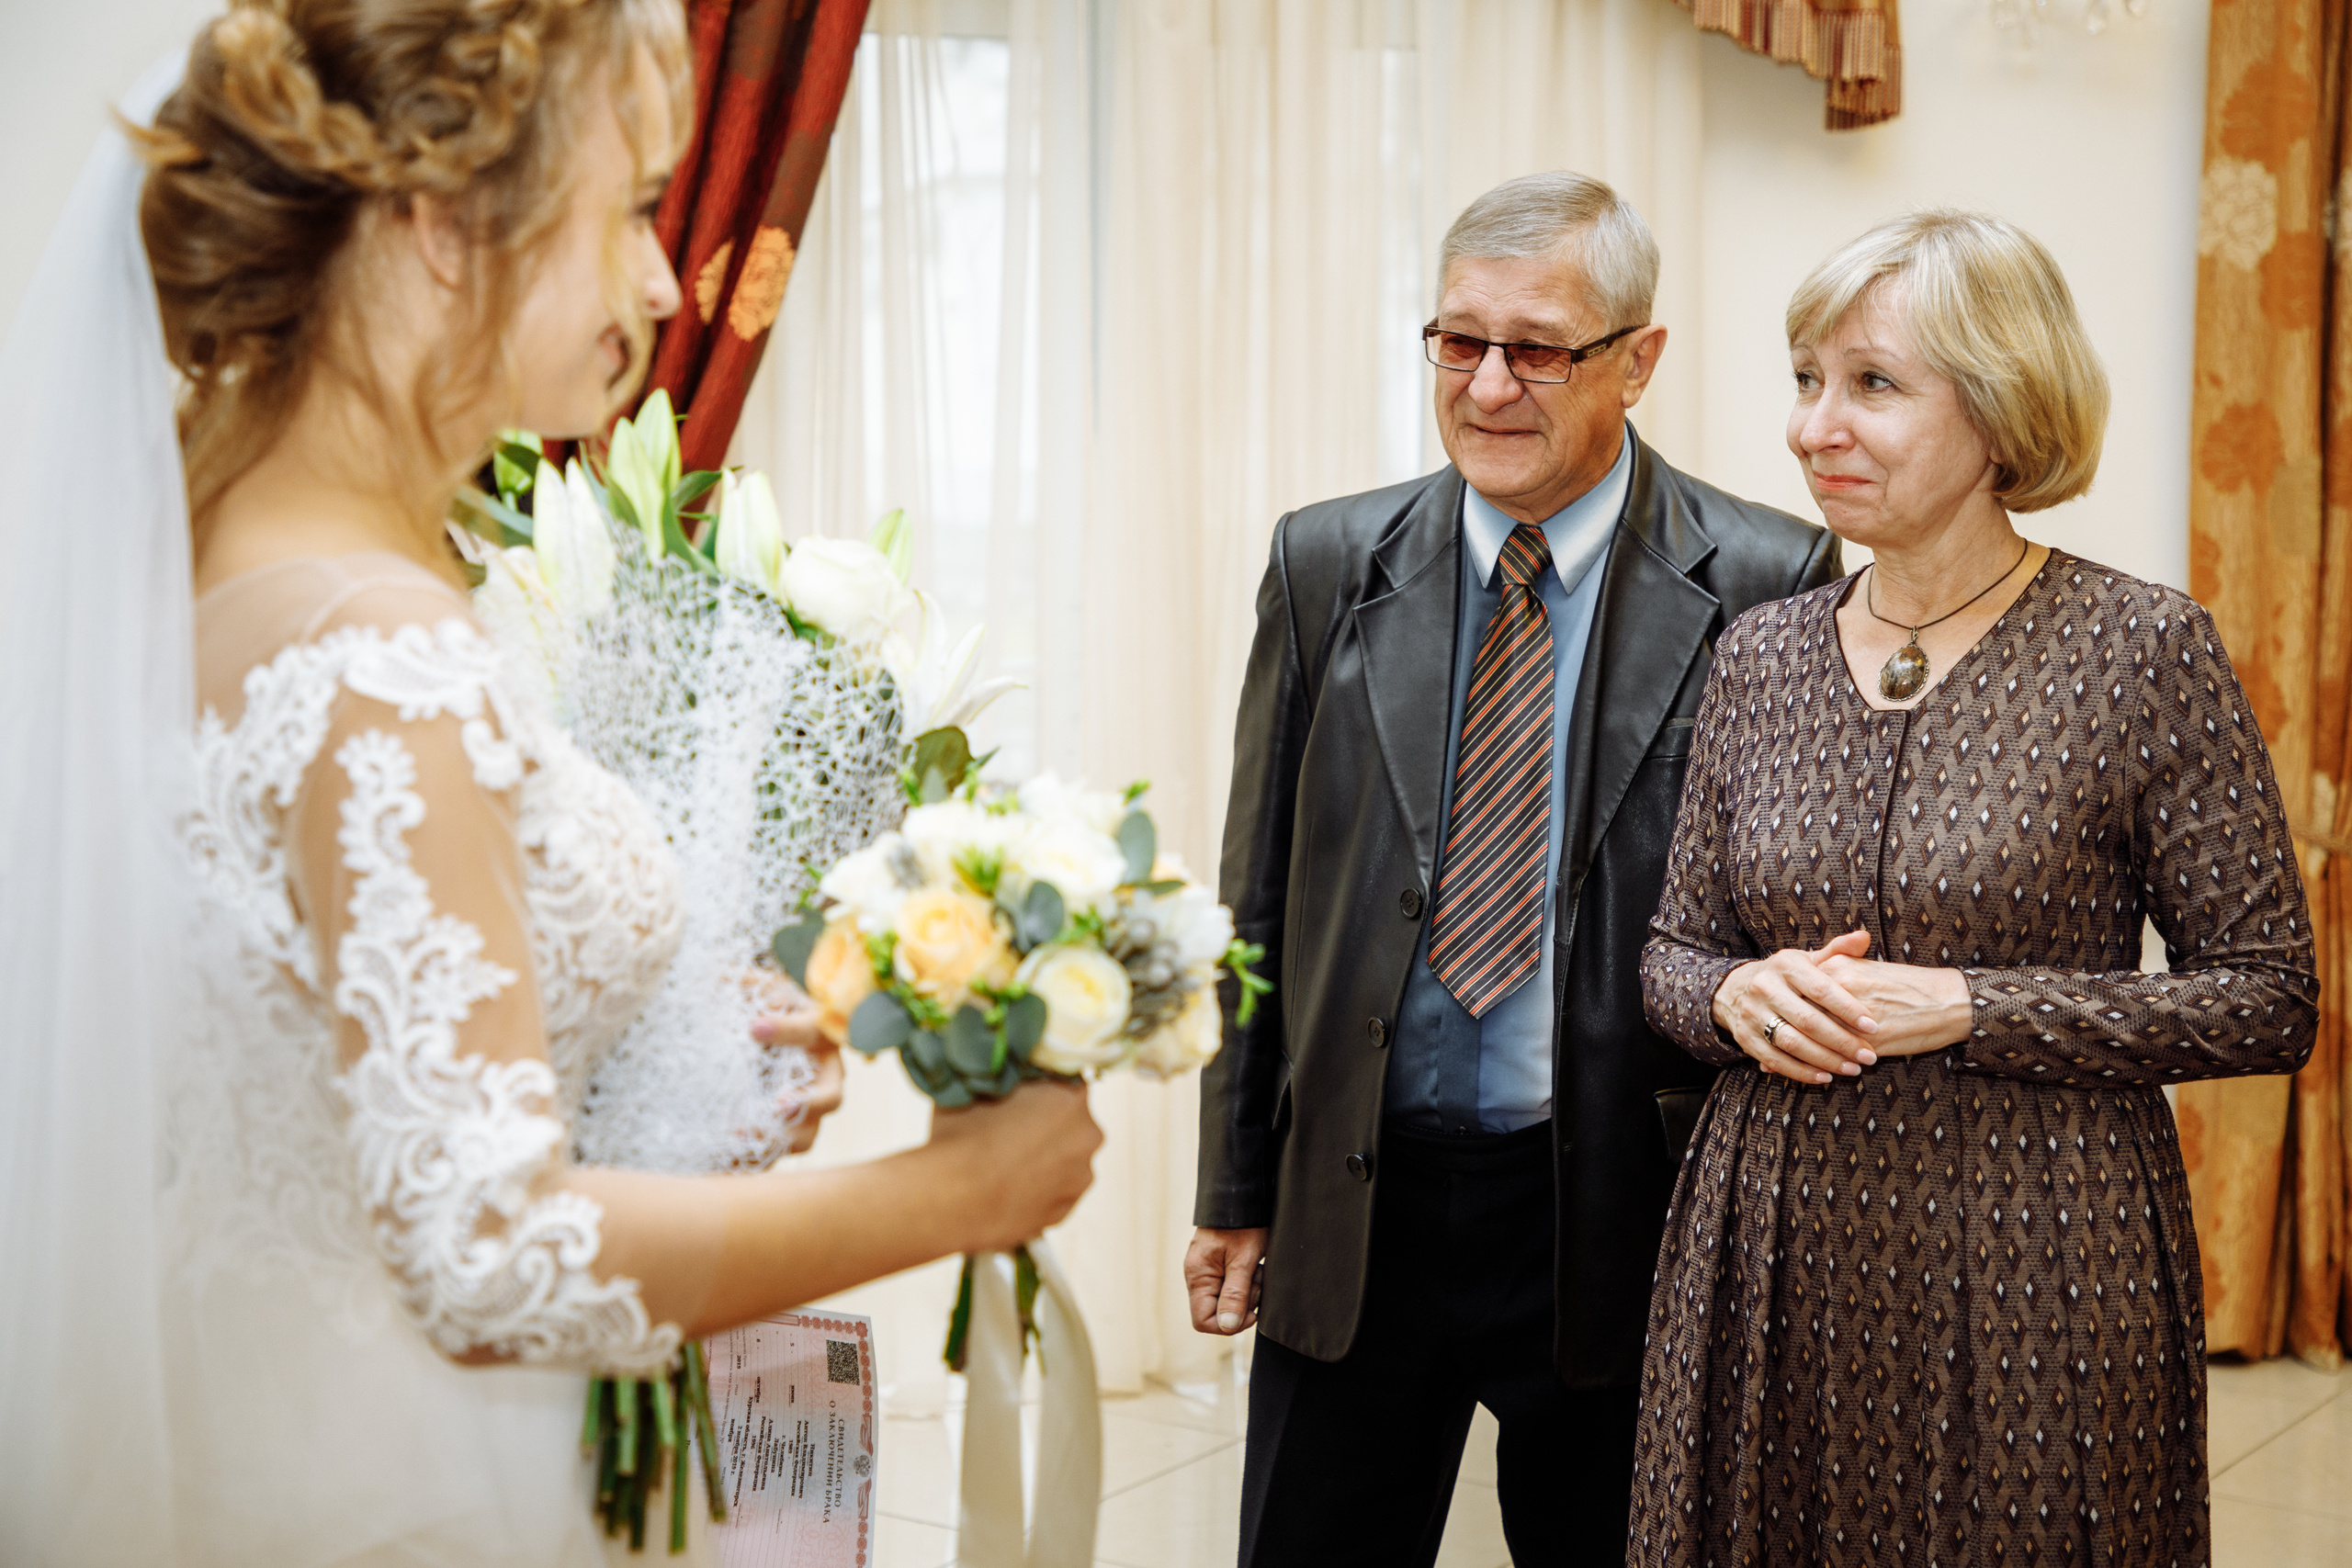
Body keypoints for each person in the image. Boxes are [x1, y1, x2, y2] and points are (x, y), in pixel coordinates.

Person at [0, 4, 1101, 1563]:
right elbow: (486, 1249)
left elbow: (308, 1047)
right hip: (394, 1483)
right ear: (442, 226)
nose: (663, 280)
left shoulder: (209, 547)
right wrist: (961, 1191)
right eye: (633, 210)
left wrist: (645, 1056)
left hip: (245, 1425)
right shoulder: (384, 650)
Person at [1628, 209, 2319, 1567]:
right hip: (1773, 1252)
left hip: (2042, 1258)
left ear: (2001, 414)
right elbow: (1671, 954)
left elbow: (2266, 999)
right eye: (1806, 378)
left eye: (1873, 385)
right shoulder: (1759, 656)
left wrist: (1969, 1006)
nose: (1814, 425)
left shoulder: (2140, 649)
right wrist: (1736, 998)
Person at [1185, 171, 1844, 1565]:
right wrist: (1235, 1188)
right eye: (1456, 340)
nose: (1487, 386)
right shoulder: (1325, 564)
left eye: (1538, 348)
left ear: (1639, 360)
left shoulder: (1770, 580)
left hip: (1616, 1204)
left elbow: (1785, 923)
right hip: (1360, 1200)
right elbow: (1256, 902)